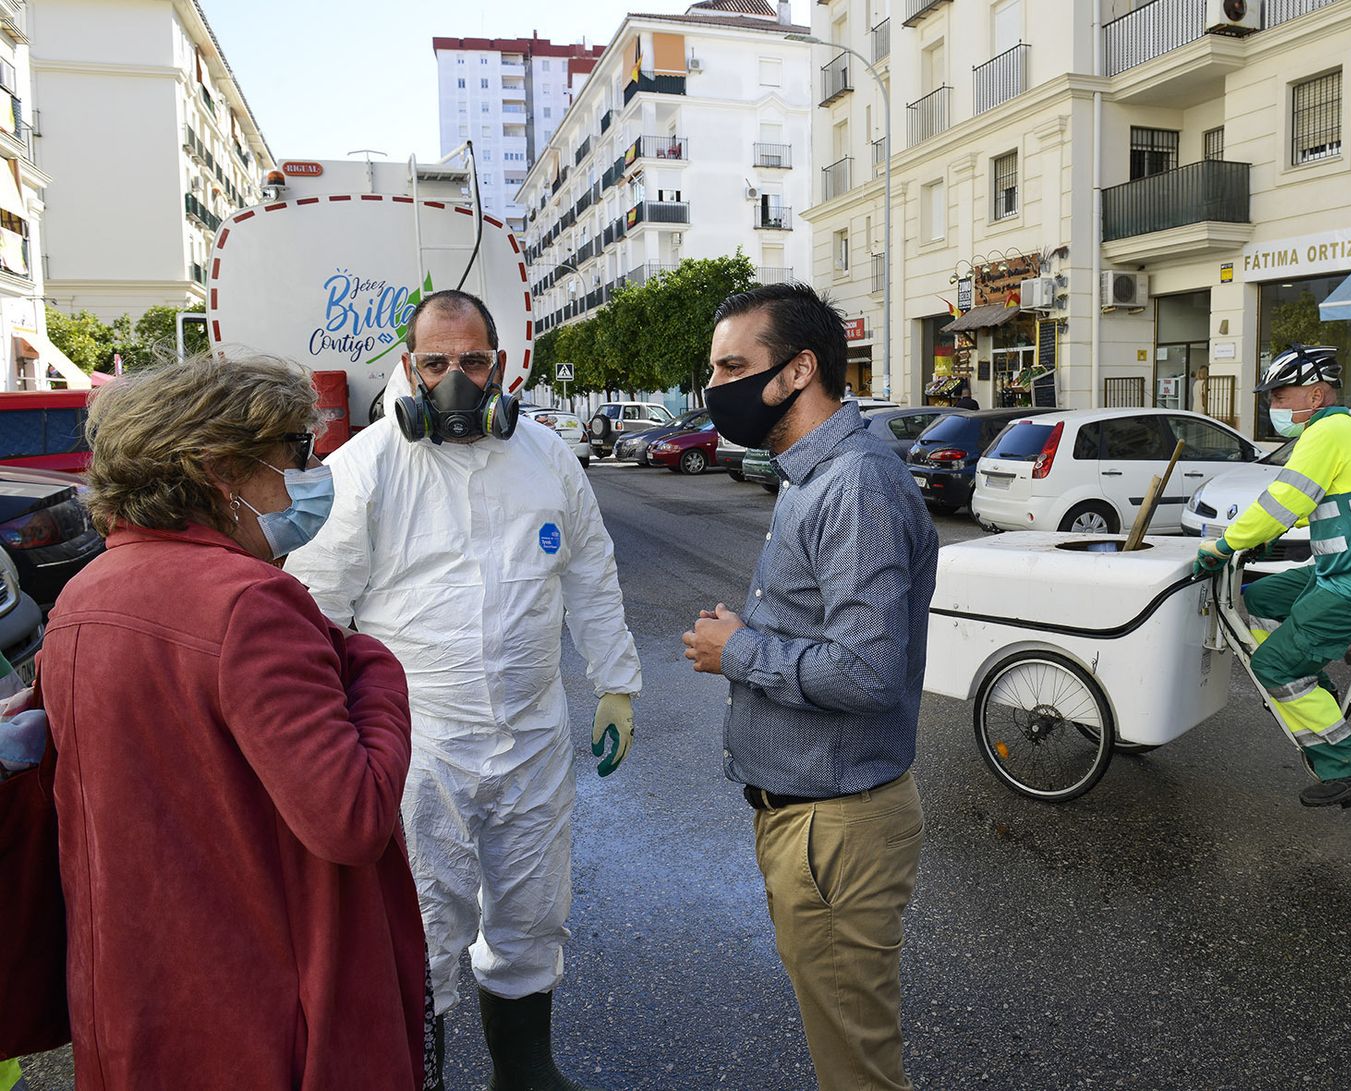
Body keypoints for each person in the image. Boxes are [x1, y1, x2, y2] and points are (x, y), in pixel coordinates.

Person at [287, 289, 642, 1091]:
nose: (457, 378)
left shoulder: (548, 457)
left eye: (472, 360)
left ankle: (525, 1070)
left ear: (502, 366)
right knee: (419, 921)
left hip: (532, 737)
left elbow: (590, 572)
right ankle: (423, 1074)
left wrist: (616, 682)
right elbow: (317, 614)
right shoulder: (366, 466)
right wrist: (330, 745)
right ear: (408, 370)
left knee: (531, 909)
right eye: (438, 362)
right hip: (417, 746)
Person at [38, 355, 425, 1089]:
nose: (306, 473)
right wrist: (371, 662)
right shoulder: (250, 603)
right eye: (291, 451)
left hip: (135, 1007)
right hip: (264, 1016)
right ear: (220, 469)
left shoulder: (80, 598)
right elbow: (352, 814)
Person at [682, 283, 938, 1091]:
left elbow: (866, 670)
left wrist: (742, 651)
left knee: (856, 1067)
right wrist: (752, 639)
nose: (714, 385)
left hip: (838, 830)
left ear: (798, 370)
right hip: (812, 820)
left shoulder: (853, 483)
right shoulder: (808, 474)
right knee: (845, 1047)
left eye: (732, 365)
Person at [1195, 344, 1351, 807]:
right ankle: (1310, 686)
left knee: (1273, 665)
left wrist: (1224, 545)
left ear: (1315, 396)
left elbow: (1283, 500)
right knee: (1256, 601)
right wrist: (1275, 532)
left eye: (1279, 396)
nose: (1272, 407)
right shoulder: (1349, 431)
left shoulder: (1326, 435)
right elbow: (1326, 502)